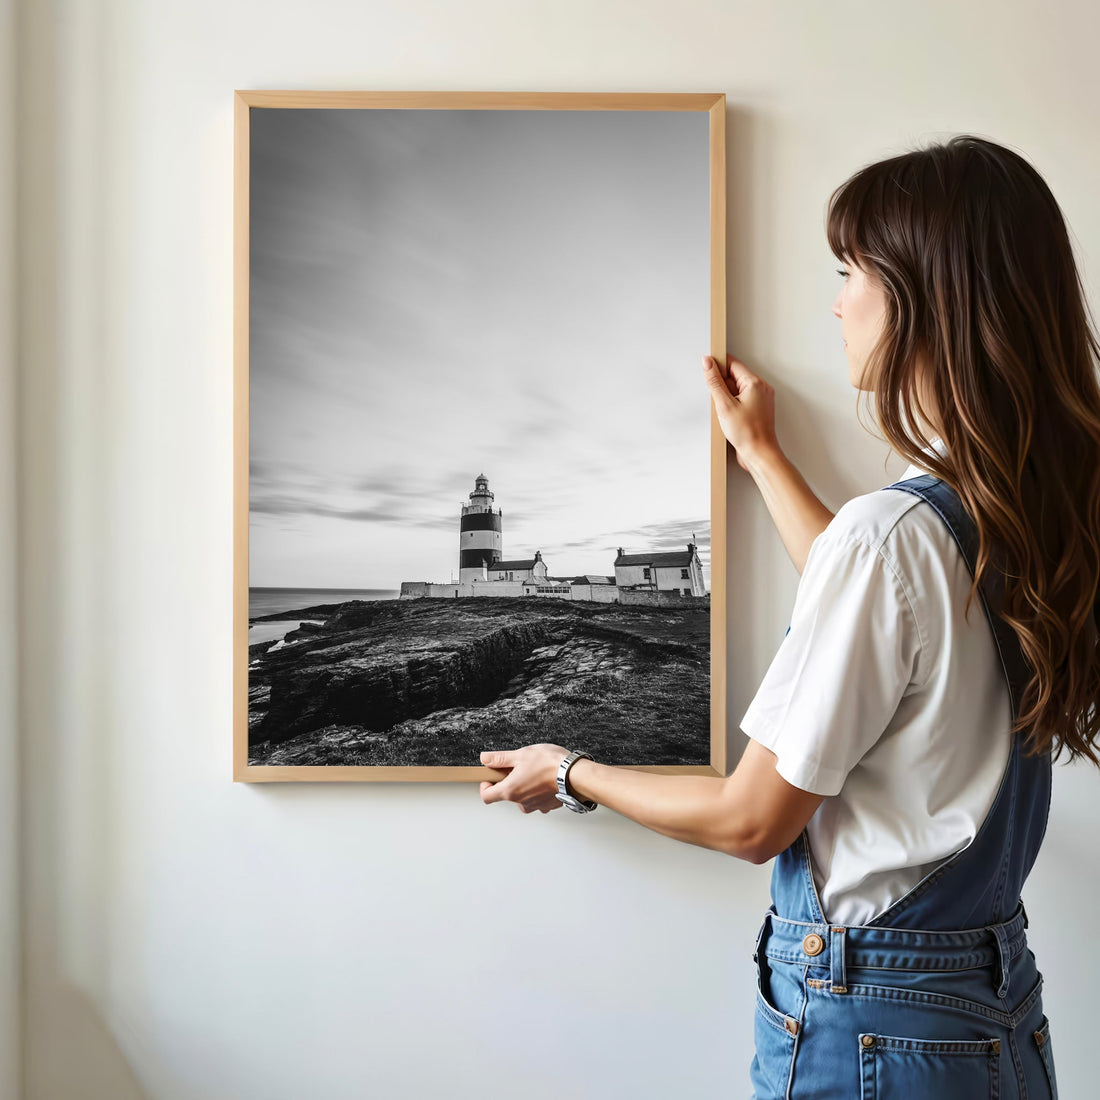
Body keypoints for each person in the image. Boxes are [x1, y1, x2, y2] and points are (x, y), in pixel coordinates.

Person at [477, 134, 1100, 1098]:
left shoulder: (894, 535)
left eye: (852, 271)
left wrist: (568, 769)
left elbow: (750, 819)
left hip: (874, 1027)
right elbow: (885, 620)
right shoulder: (1018, 510)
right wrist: (763, 455)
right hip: (988, 1011)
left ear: (924, 298)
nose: (837, 299)